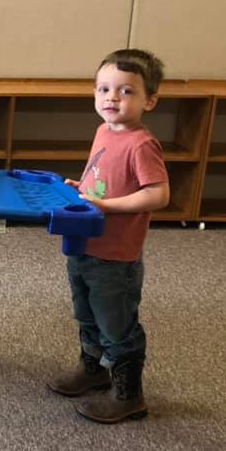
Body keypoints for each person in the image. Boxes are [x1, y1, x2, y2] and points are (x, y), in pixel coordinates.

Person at [46, 49, 170, 424]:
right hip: (85, 245)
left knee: (117, 324)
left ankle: (129, 395)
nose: (112, 98)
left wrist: (109, 206)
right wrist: (79, 188)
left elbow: (158, 194)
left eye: (127, 91)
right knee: (86, 313)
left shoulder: (141, 144)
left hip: (116, 256)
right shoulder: (104, 130)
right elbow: (100, 177)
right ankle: (94, 369)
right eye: (104, 89)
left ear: (150, 99)